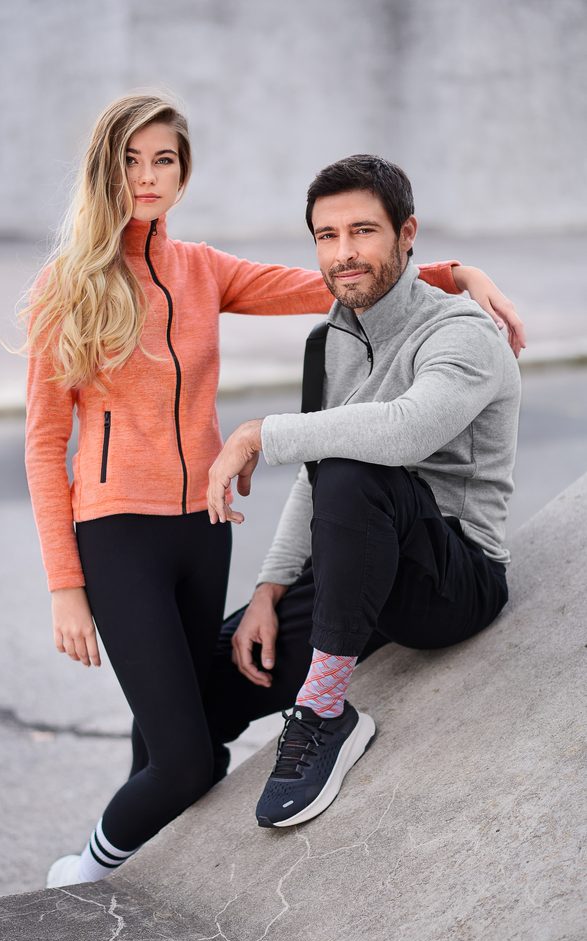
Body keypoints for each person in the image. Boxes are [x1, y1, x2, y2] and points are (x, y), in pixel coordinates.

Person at [24, 93, 523, 885]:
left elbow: (334, 283)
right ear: (102, 169)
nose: (147, 177)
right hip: (117, 529)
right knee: (182, 732)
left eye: (163, 160)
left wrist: (455, 275)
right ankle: (108, 866)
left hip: (206, 528)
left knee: (185, 718)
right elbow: (44, 443)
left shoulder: (202, 269)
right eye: (130, 160)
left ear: (183, 173)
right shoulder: (68, 286)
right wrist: (66, 584)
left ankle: (155, 835)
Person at [205, 154, 521, 828]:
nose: (343, 253)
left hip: (452, 577)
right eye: (327, 236)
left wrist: (262, 433)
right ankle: (127, 849)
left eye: (362, 231)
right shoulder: (329, 341)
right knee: (207, 679)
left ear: (407, 234)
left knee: (356, 469)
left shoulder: (463, 333)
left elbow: (404, 432)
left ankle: (324, 712)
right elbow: (317, 471)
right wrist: (269, 588)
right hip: (360, 556)